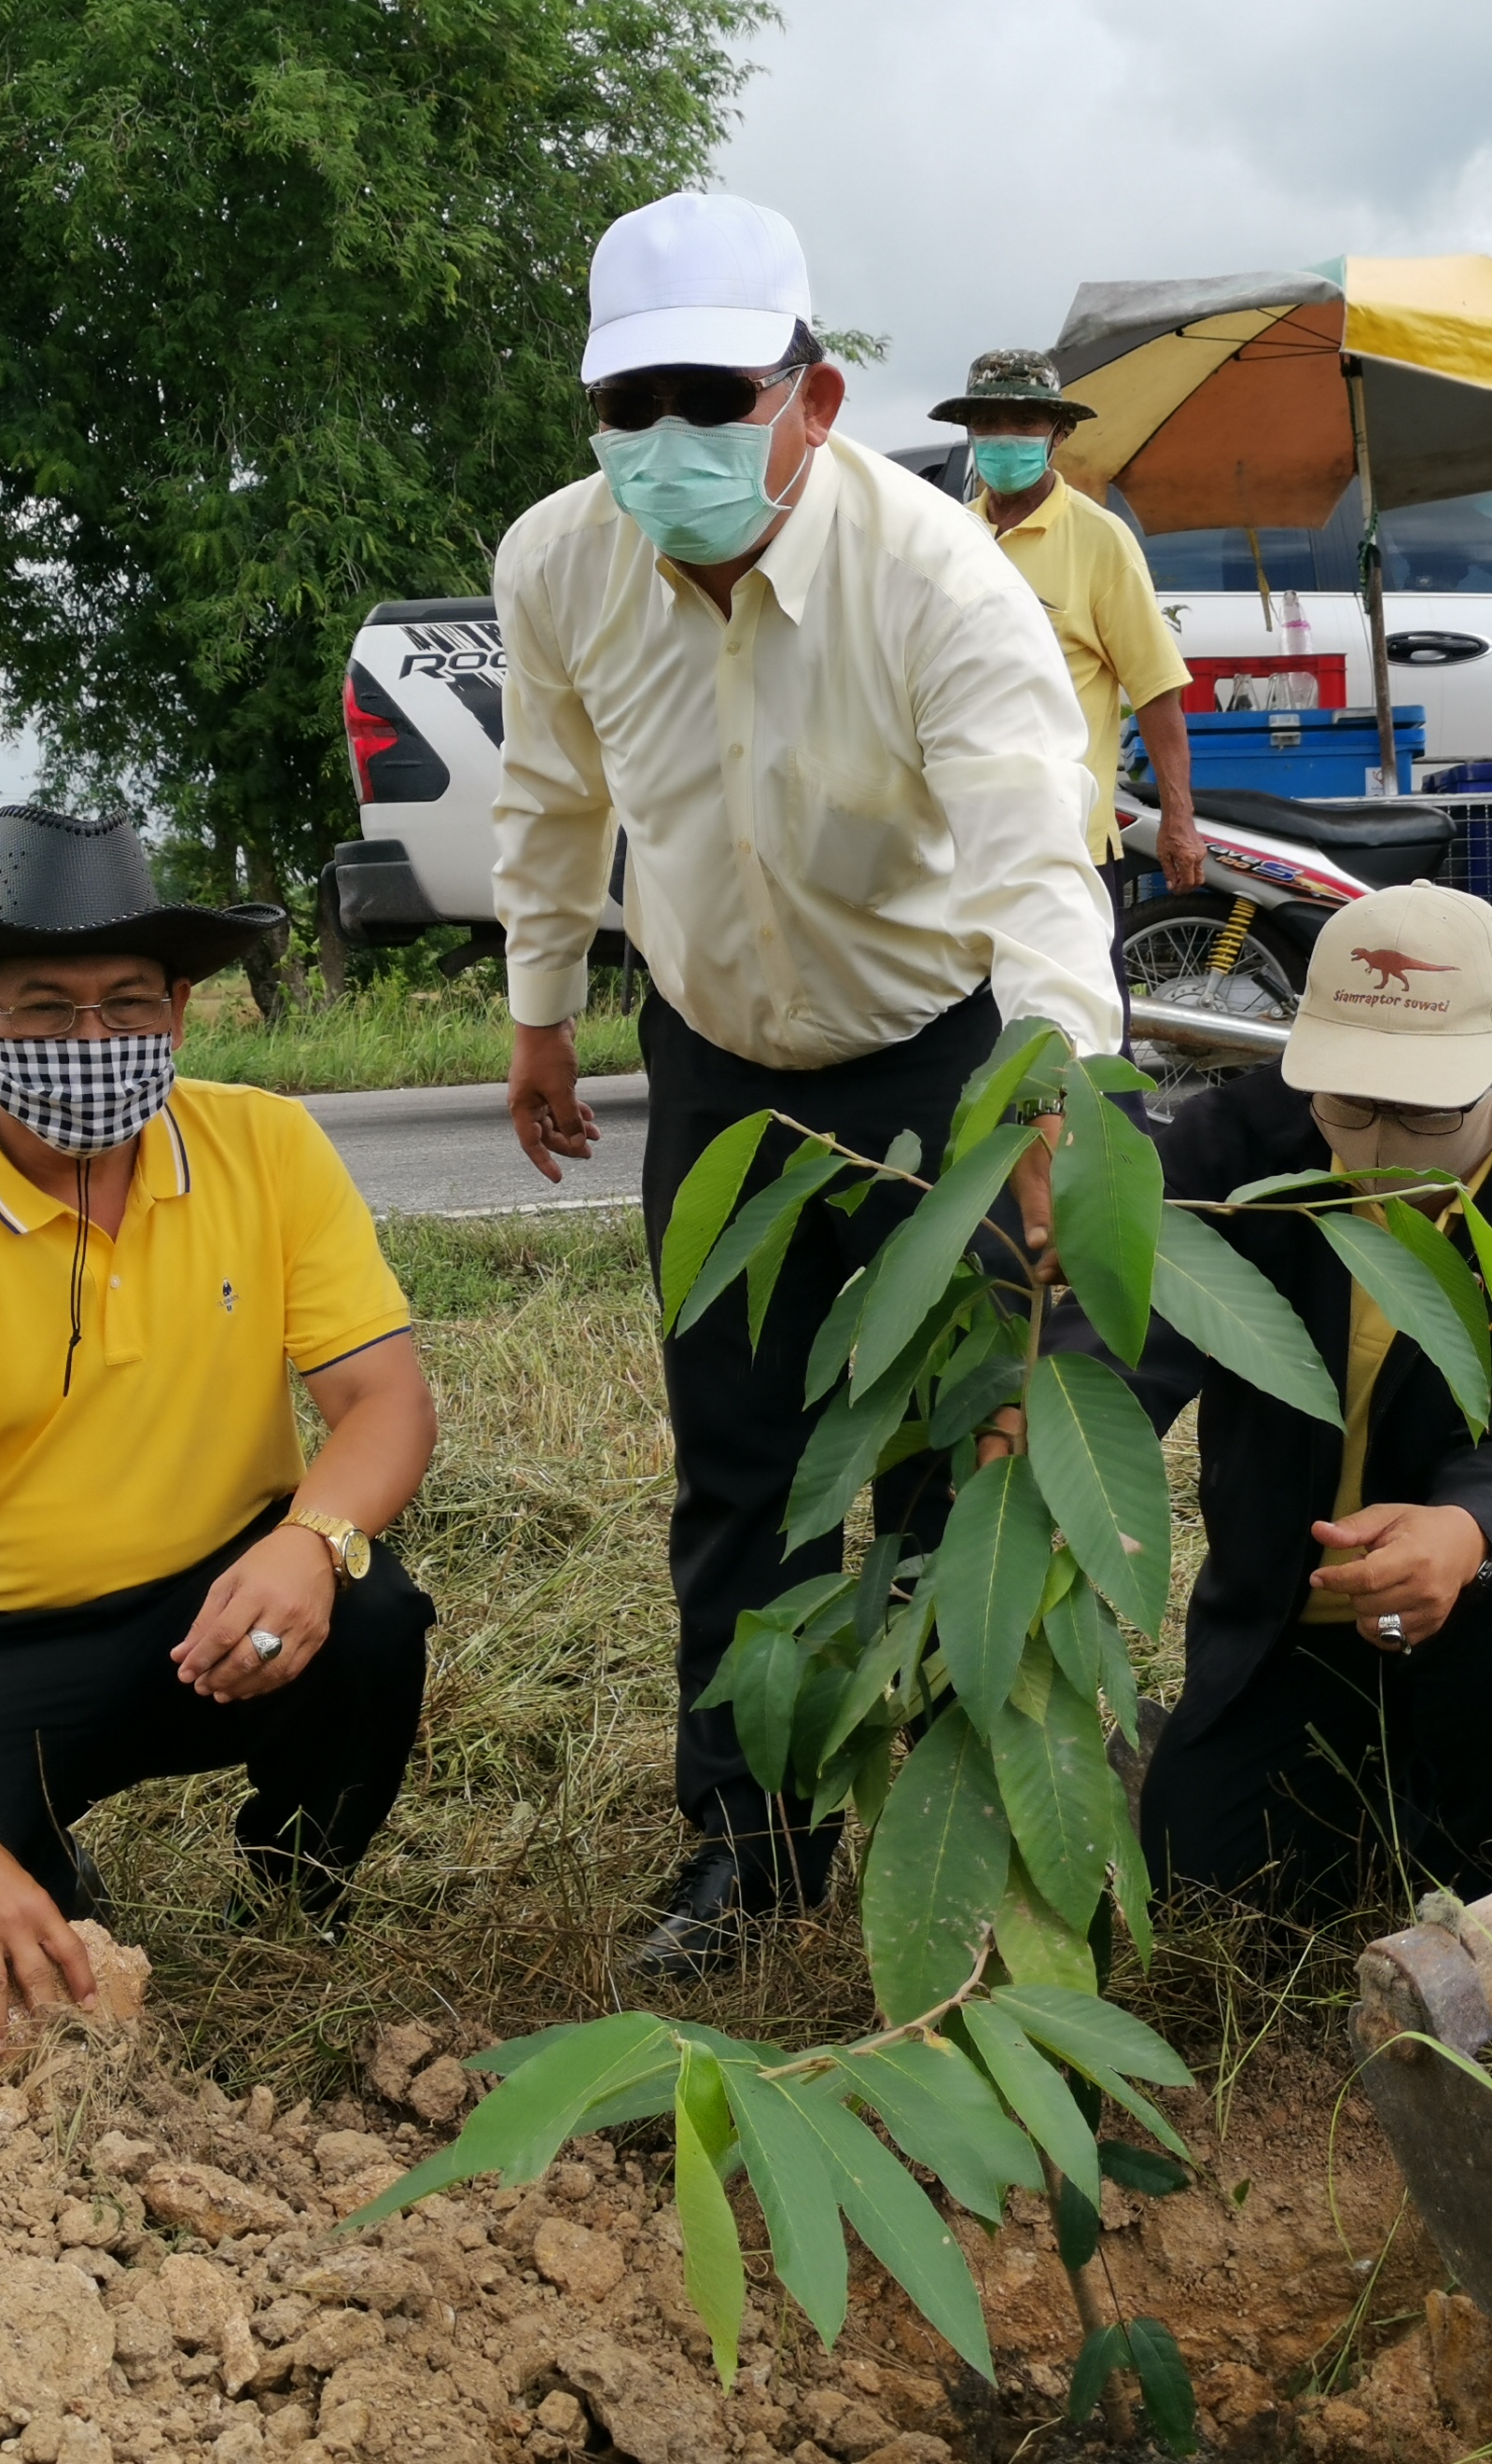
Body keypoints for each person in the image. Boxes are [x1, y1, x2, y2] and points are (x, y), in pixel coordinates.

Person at [492, 191, 1117, 1971]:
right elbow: (549, 799)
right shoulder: (559, 562)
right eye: (628, 406)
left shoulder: (935, 579)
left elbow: (1031, 855)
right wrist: (542, 1008)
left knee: (937, 1462)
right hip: (714, 1075)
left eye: (712, 397)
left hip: (931, 1054)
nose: (665, 444)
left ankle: (952, 1839)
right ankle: (747, 1863)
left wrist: (1055, 1098)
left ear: (814, 400)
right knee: (740, 1473)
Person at [0, 806, 440, 2046]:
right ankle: (49, 1893)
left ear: (181, 1012)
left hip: (230, 1585)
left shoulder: (268, 1148)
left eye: (130, 1002)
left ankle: (301, 1891)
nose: (96, 1039)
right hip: (5, 1638)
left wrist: (311, 1543)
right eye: (44, 1008)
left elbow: (384, 1401)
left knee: (373, 1608)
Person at [1067, 883, 1492, 1908]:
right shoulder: (1239, 1152)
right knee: (1208, 1880)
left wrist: (1464, 1533)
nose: (1380, 1147)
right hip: (1295, 1602)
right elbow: (1135, 1326)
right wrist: (1063, 1456)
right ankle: (1404, 1760)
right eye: (1350, 1102)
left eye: (1425, 1111)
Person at [927, 348, 1206, 922]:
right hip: (959, 840)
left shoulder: (1100, 541)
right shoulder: (947, 535)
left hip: (1064, 841)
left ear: (1059, 433)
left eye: (1026, 423)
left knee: (1073, 1011)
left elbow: (1155, 689)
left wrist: (1179, 819)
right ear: (970, 432)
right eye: (989, 424)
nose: (1006, 439)